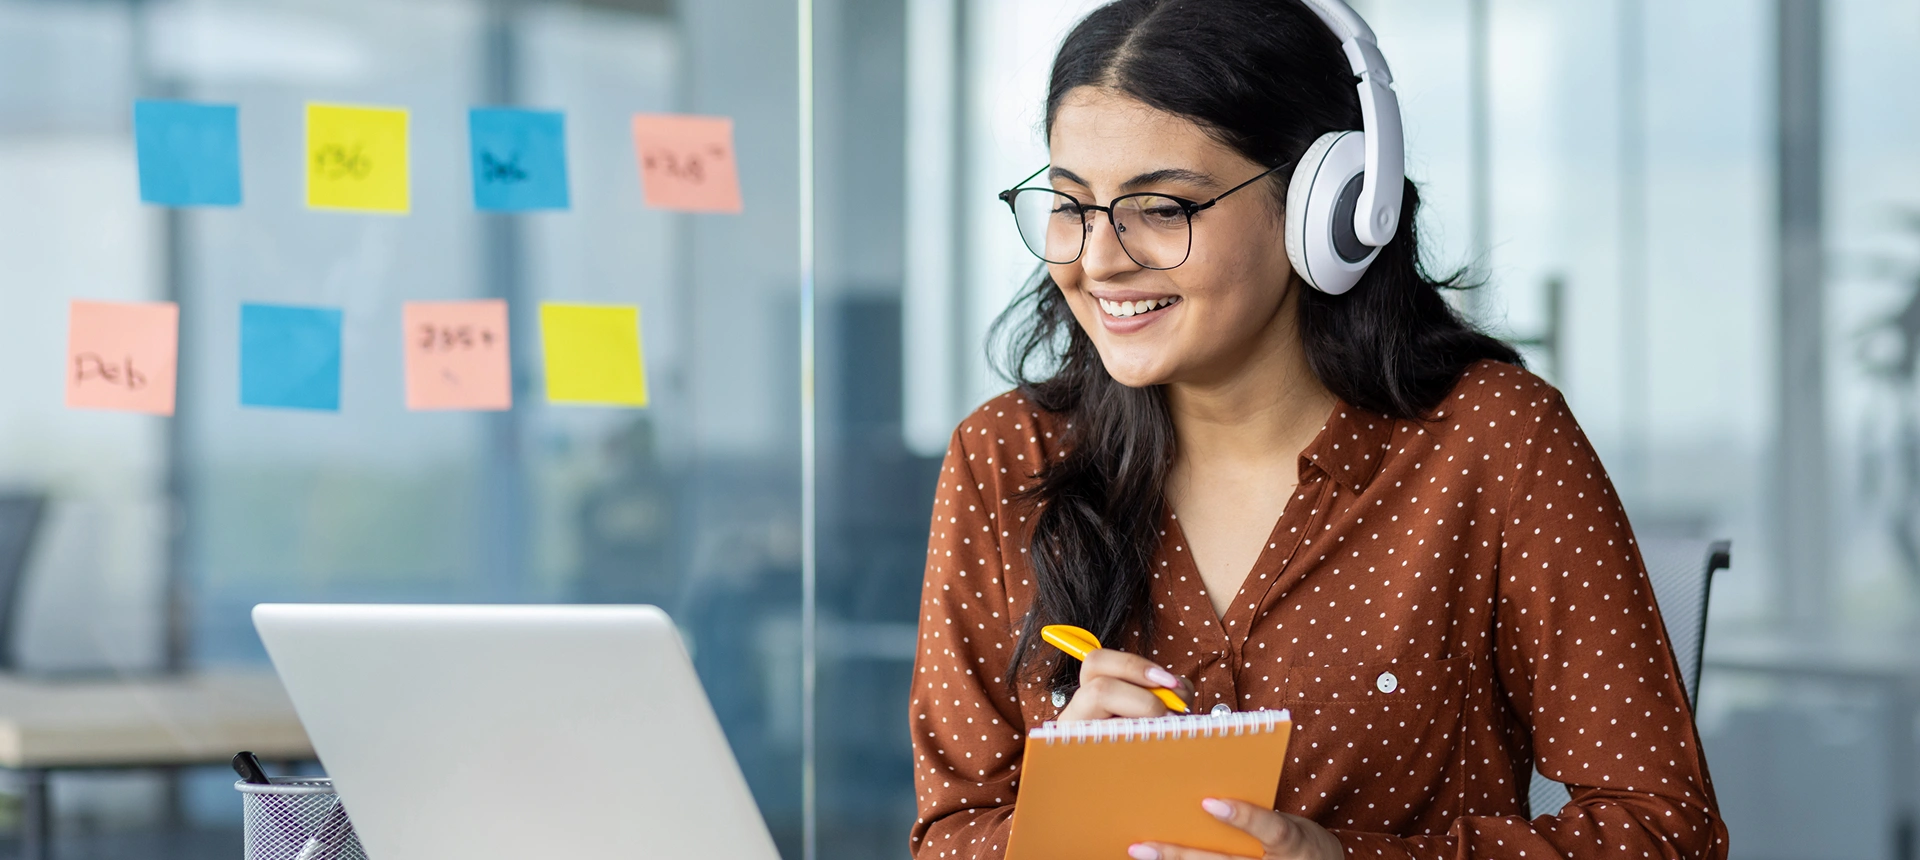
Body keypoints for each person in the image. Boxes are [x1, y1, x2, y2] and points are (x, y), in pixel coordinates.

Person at [908, 1, 1727, 859]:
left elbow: (1667, 832)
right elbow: (950, 834)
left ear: (1324, 210)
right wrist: (1066, 823)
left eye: (1160, 208)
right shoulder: (1008, 459)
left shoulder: (1492, 442)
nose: (1100, 258)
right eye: (1071, 205)